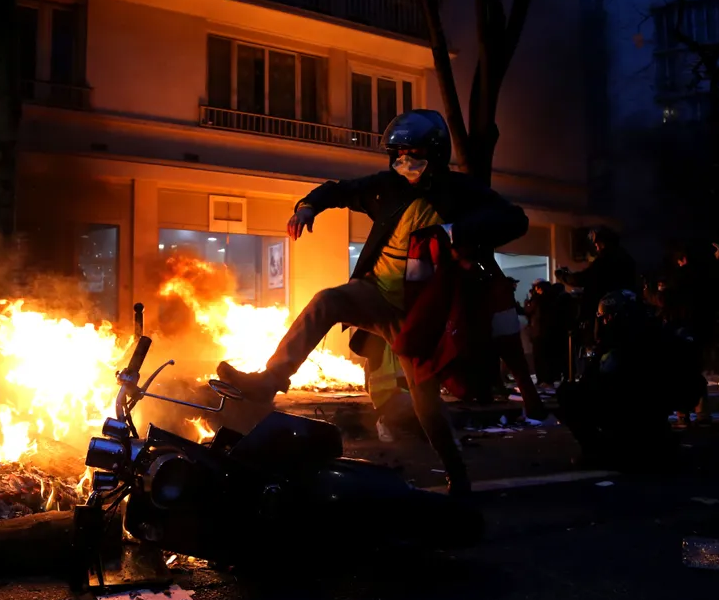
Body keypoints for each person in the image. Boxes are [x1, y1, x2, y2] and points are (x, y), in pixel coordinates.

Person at [215, 109, 529, 496]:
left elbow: (515, 220)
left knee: (425, 403)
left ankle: (456, 475)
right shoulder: (387, 186)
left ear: (435, 152)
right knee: (326, 302)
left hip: (420, 313)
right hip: (375, 294)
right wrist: (307, 207)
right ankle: (269, 382)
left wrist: (456, 230)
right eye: (397, 154)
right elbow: (337, 190)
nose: (404, 162)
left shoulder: (462, 192)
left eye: (412, 153)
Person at [555, 290, 704, 471]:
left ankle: (596, 451)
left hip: (626, 426)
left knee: (567, 393)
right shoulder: (662, 335)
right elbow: (692, 388)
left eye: (605, 318)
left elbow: (590, 385)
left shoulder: (616, 343)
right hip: (657, 431)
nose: (603, 323)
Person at [555, 226, 639, 344]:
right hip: (626, 317)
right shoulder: (627, 259)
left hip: (606, 316)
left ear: (604, 243)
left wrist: (563, 276)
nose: (596, 247)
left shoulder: (606, 260)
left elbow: (583, 279)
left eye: (597, 244)